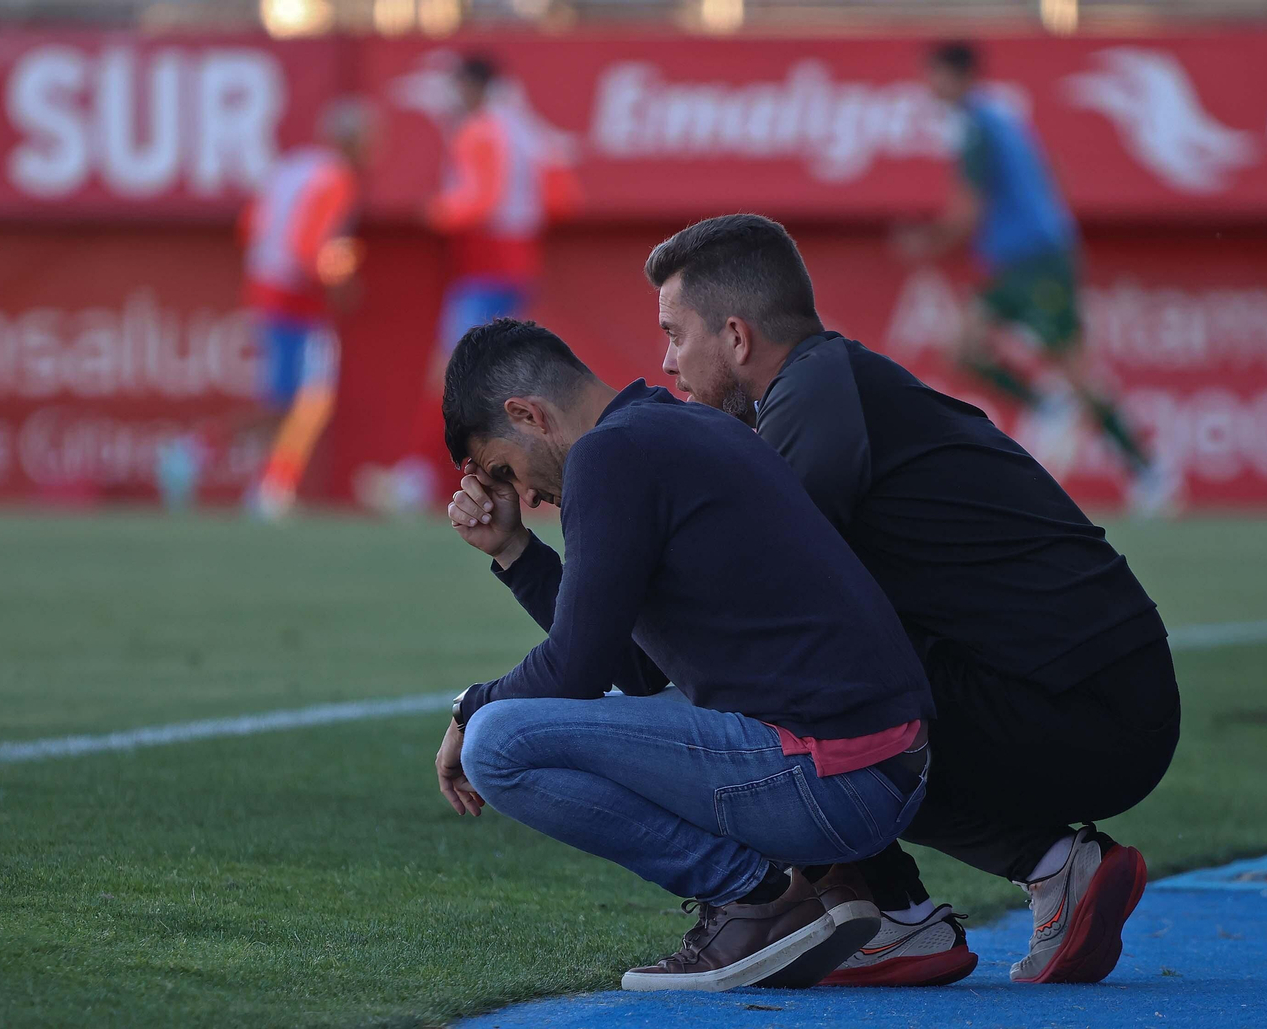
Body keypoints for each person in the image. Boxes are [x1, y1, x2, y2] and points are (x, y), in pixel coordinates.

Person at [647, 213, 1181, 986]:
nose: (667, 361)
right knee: (791, 656)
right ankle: (1047, 866)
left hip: (1083, 704)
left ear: (735, 337)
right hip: (1100, 691)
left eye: (675, 333)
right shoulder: (832, 385)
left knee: (769, 672)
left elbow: (739, 610)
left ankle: (884, 913)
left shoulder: (811, 399)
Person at [435, 318, 936, 992]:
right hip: (879, 768)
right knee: (530, 721)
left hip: (834, 780)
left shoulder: (608, 455)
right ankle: (818, 888)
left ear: (528, 414)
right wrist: (515, 551)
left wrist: (471, 706)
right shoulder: (678, 425)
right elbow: (638, 670)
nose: (520, 493)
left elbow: (576, 667)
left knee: (496, 744)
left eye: (503, 467)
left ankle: (756, 900)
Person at [894, 40, 1179, 515]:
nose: (929, 86)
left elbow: (966, 213)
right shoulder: (998, 116)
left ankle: (1149, 471)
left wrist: (924, 242)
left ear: (957, 75)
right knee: (962, 347)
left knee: (1074, 370)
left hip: (1037, 261)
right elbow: (1048, 173)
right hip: (1020, 261)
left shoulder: (977, 127)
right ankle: (1048, 405)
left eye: (934, 75)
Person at [361, 55, 580, 515]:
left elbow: (479, 199)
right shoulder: (522, 128)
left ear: (472, 86)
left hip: (486, 262)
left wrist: (435, 210)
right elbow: (562, 195)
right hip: (515, 262)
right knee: (498, 382)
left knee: (452, 371)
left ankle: (416, 481)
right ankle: (525, 481)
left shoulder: (483, 129)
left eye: (456, 86)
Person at [158, 98, 377, 520]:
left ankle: (210, 461)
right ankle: (261, 485)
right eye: (368, 139)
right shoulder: (335, 178)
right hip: (297, 299)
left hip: (267, 289)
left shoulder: (293, 168)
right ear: (352, 140)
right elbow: (306, 247)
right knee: (306, 400)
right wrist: (338, 276)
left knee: (287, 402)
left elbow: (251, 226)